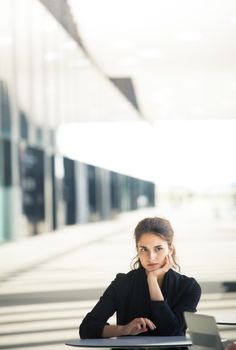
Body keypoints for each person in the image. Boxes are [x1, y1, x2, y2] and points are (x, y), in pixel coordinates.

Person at [79, 217, 201, 339]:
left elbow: (172, 332)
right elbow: (87, 328)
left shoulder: (188, 287)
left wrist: (152, 280)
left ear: (170, 249)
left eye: (158, 249)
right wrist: (124, 329)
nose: (151, 257)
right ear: (137, 249)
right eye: (144, 249)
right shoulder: (122, 283)